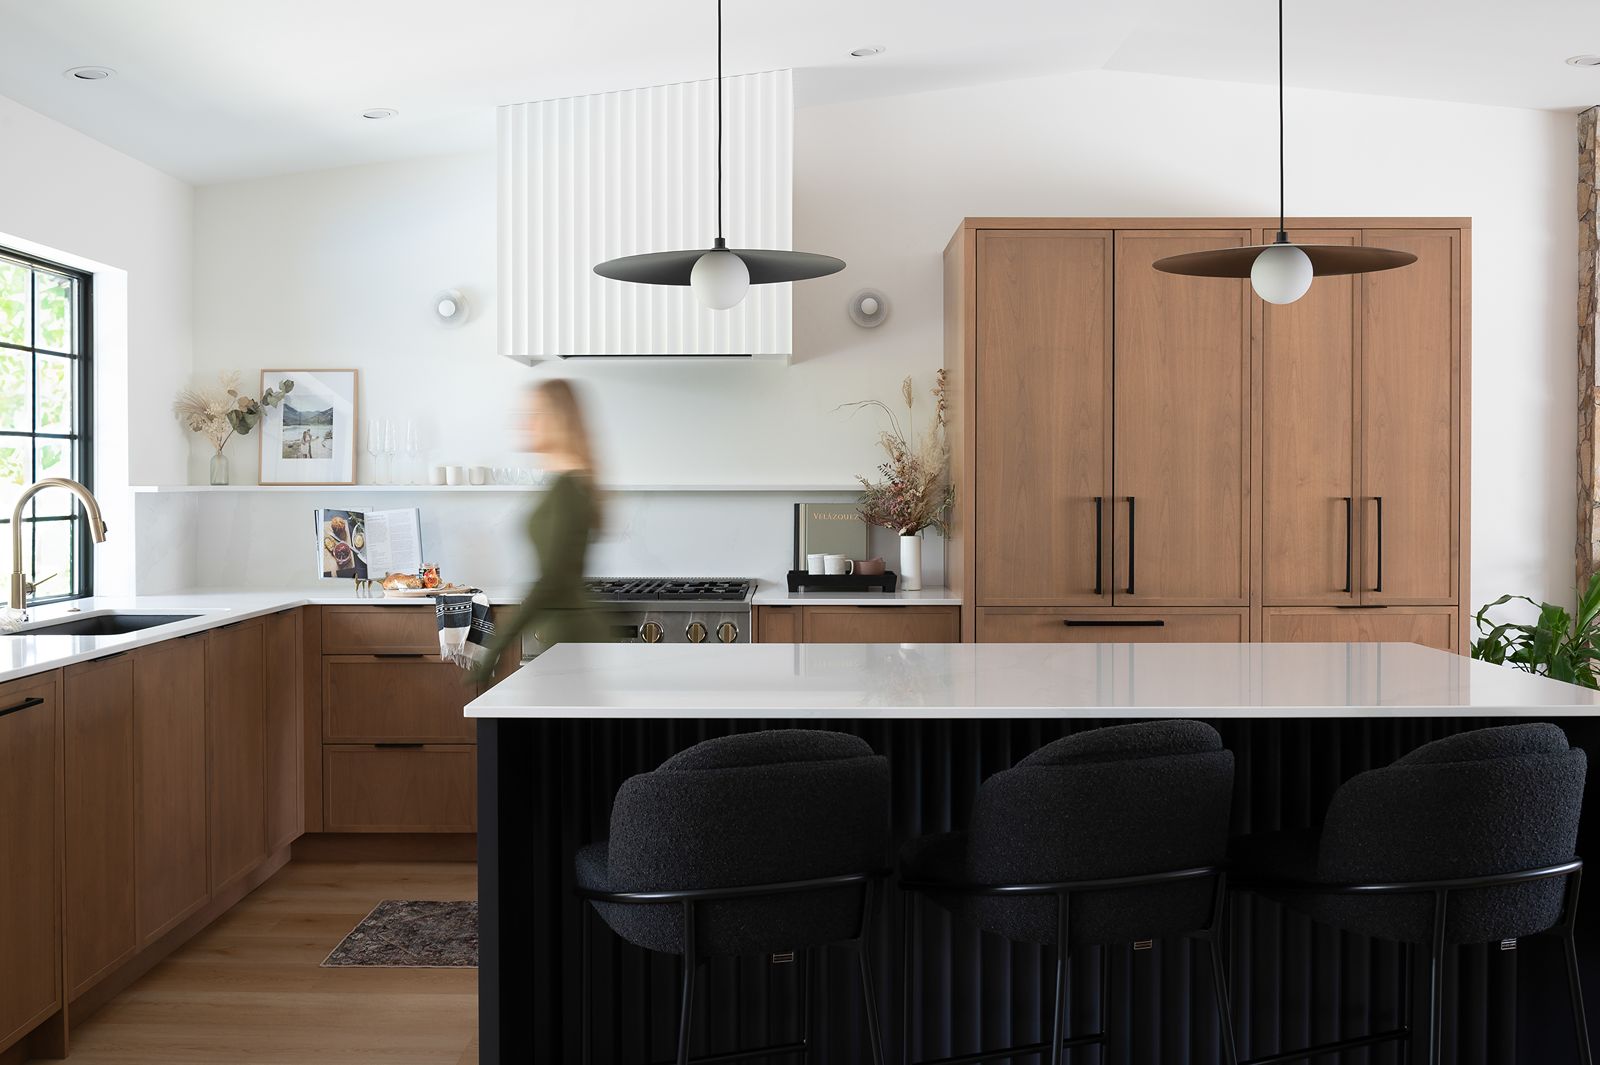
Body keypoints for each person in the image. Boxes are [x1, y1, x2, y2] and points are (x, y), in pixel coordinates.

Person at [475, 378, 608, 683]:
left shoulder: (566, 489)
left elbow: (551, 581)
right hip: (565, 633)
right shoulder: (566, 483)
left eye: (534, 415)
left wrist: (495, 647)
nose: (525, 425)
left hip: (571, 635)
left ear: (557, 420)